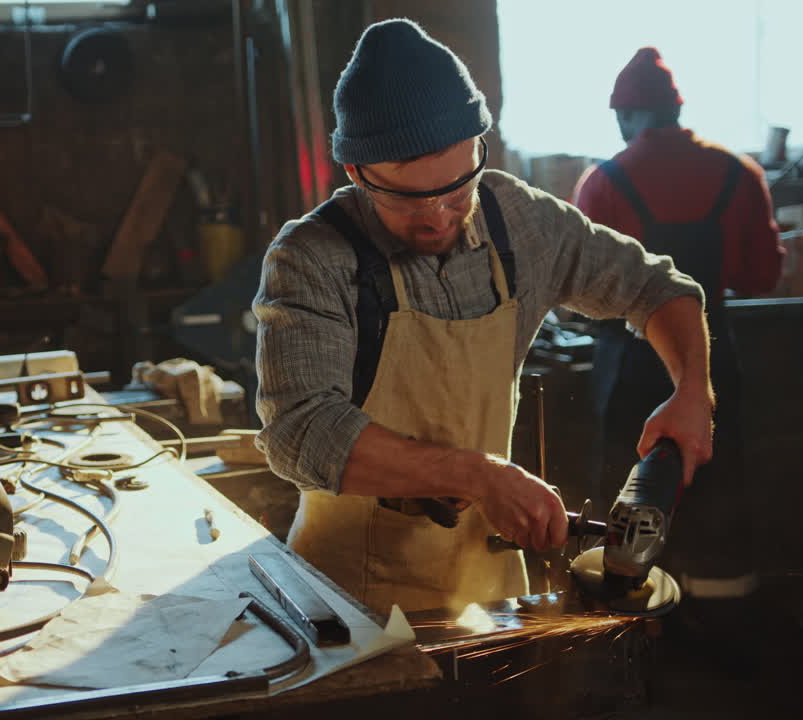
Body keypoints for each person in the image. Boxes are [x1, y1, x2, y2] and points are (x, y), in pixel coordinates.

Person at [253, 19, 714, 619]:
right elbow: (299, 433)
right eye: (405, 199)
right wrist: (479, 475)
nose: (437, 219)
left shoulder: (517, 220)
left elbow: (658, 286)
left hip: (487, 587)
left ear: (480, 146)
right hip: (348, 602)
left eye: (455, 190)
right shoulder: (310, 256)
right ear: (356, 175)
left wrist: (692, 388)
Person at [573, 47, 782, 613]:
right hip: (708, 366)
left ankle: (634, 638)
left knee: (628, 500)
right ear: (675, 109)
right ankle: (722, 629)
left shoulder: (603, 181)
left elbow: (581, 294)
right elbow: (763, 275)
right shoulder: (739, 173)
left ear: (623, 115)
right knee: (717, 493)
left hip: (627, 367)